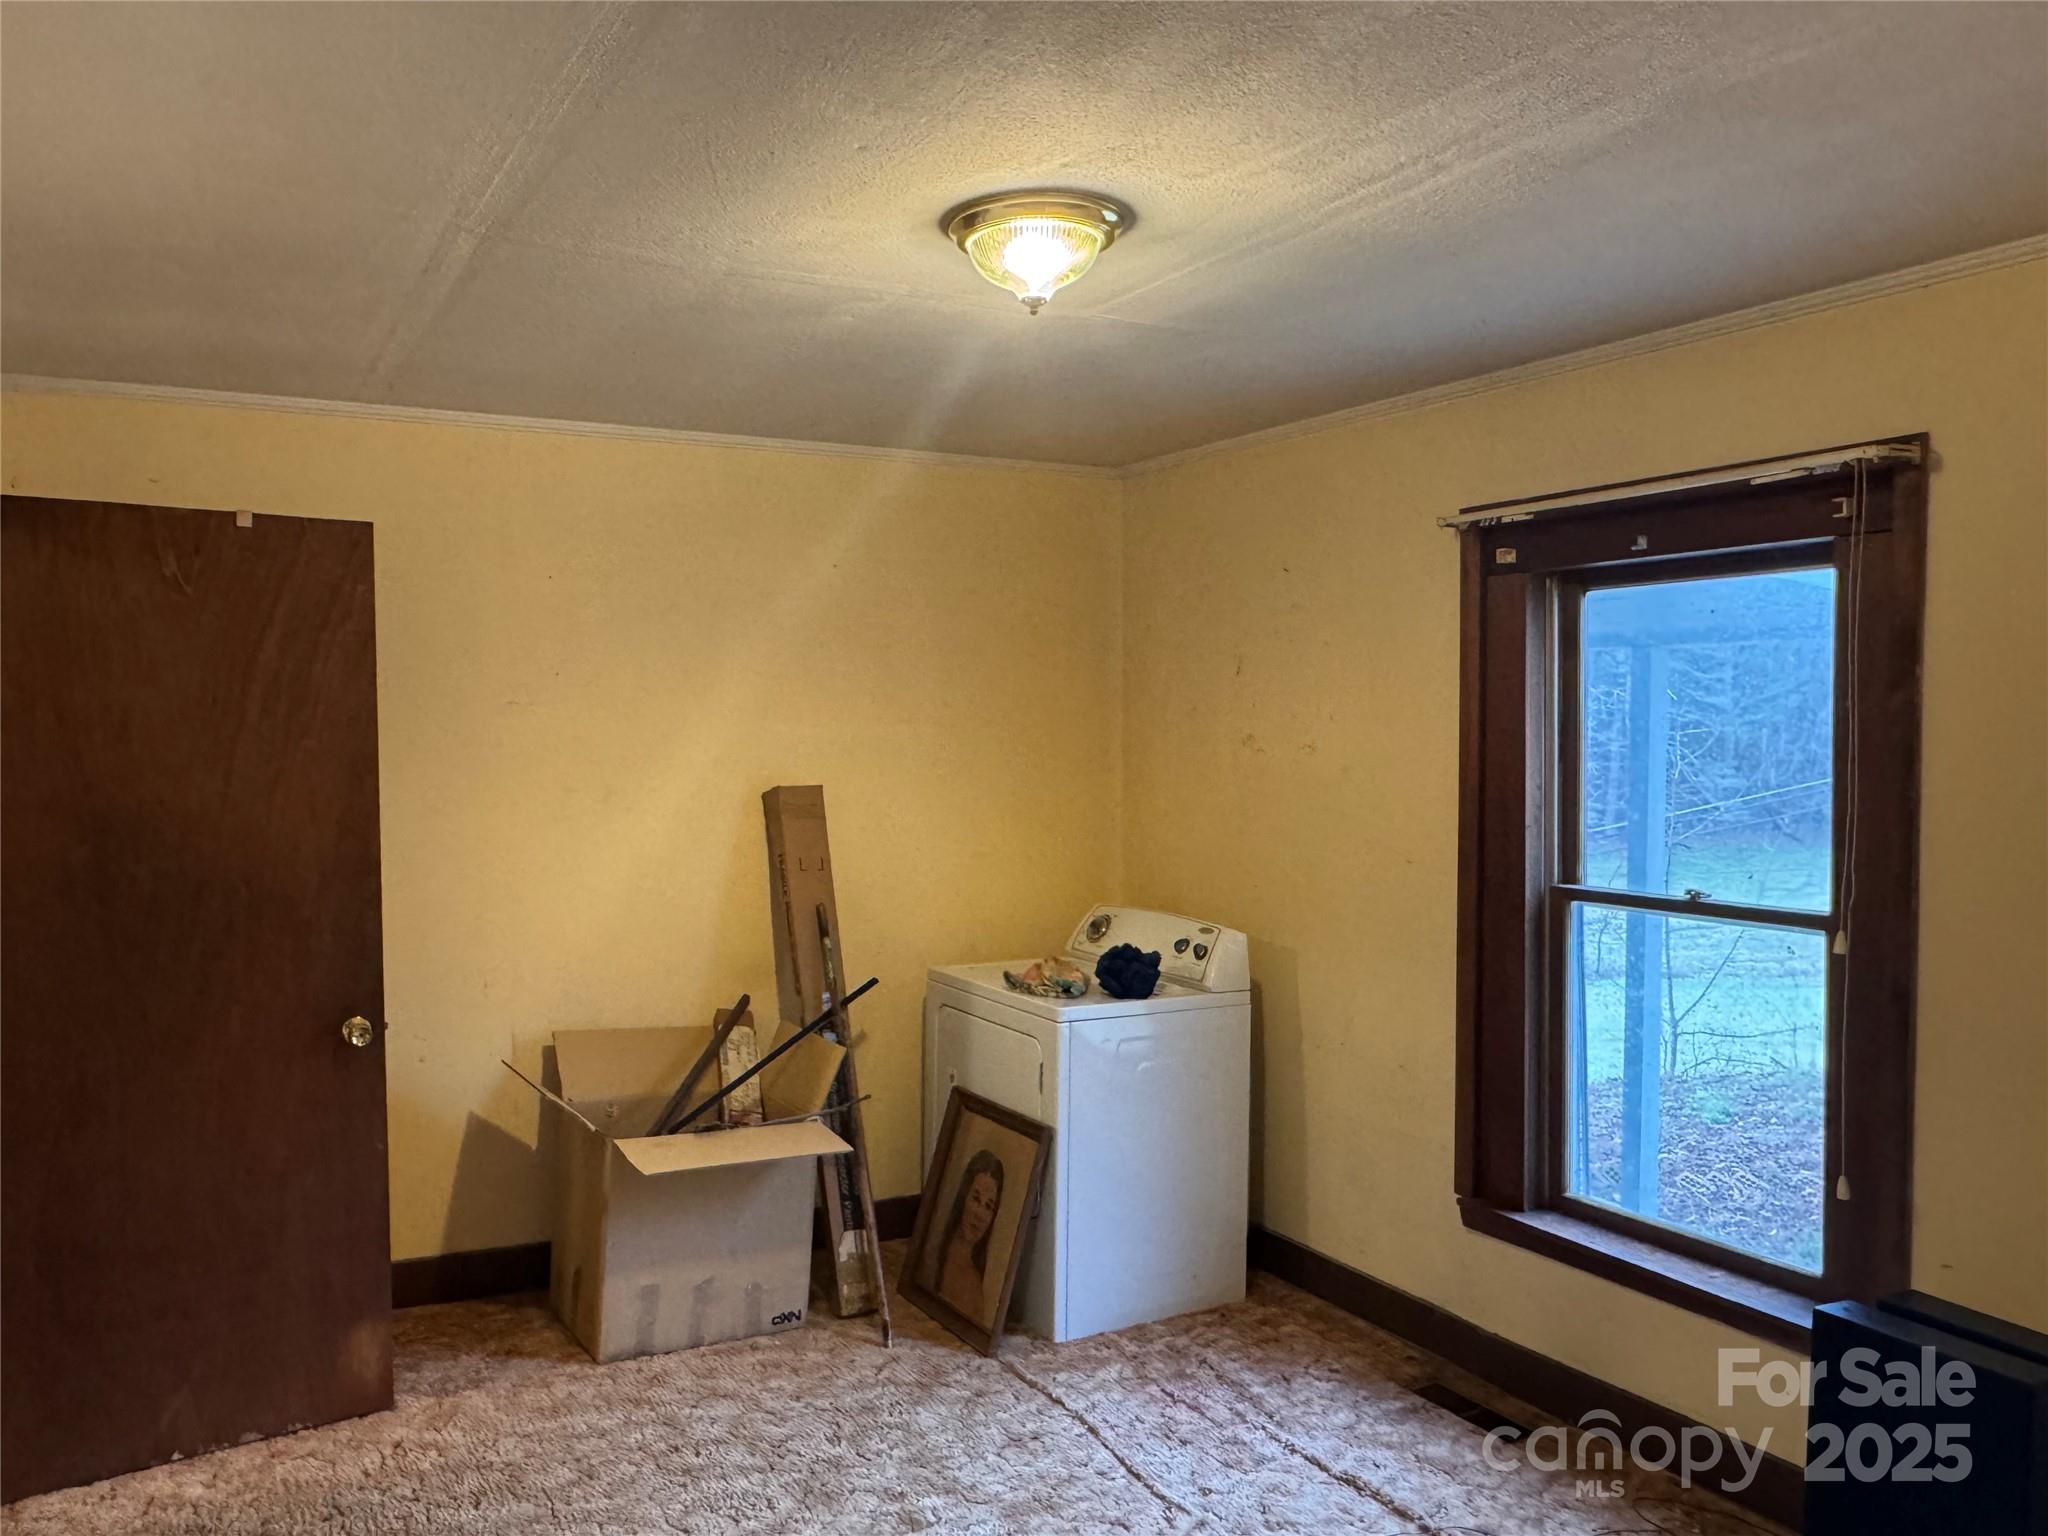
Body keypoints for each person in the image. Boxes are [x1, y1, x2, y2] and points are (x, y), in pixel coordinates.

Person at [934, 1149, 1004, 1323]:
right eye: (976, 1198)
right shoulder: (932, 1252)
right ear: (963, 1197)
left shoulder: (974, 1292)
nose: (979, 1214)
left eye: (988, 1206)